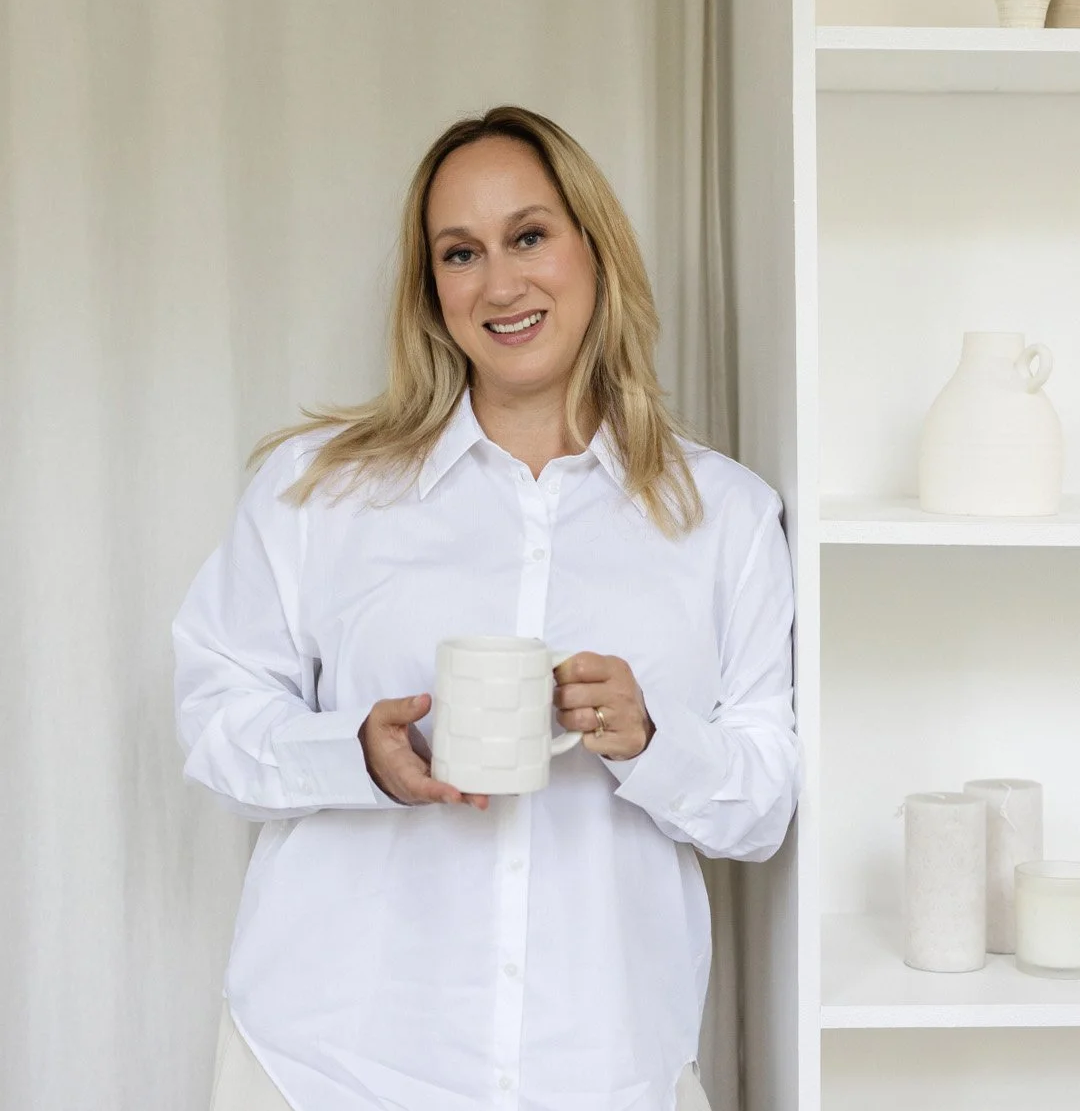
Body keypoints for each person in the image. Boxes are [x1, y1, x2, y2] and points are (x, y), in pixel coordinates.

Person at [173, 105, 800, 1111]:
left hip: (603, 1067)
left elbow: (765, 799)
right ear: (432, 292)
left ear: (595, 251)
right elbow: (214, 715)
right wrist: (358, 759)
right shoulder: (319, 492)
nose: (501, 284)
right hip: (333, 1066)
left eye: (530, 236)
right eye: (460, 253)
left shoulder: (722, 514)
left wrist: (649, 739)